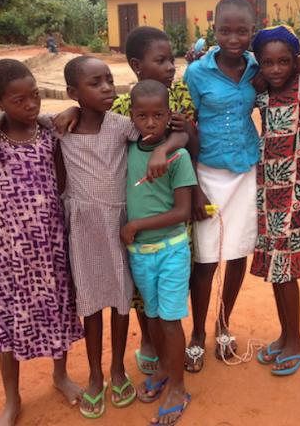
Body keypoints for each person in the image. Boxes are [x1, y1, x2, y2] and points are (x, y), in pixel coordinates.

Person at [59, 56, 188, 418]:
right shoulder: (62, 128)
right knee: (90, 301)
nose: (106, 88)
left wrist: (164, 146)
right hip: (83, 230)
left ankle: (117, 368)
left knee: (120, 299)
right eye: (95, 83)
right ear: (73, 92)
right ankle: (96, 376)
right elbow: (15, 118)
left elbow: (173, 132)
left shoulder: (122, 126)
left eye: (108, 81)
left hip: (121, 227)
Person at [0, 59, 83, 425]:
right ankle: (12, 398)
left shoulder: (49, 134)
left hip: (52, 244)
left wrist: (68, 107)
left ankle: (61, 375)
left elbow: (60, 183)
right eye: (18, 101)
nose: (31, 106)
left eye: (35, 96)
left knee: (58, 311)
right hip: (10, 250)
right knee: (7, 321)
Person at [111, 26, 197, 376]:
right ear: (136, 65)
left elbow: (191, 135)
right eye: (160, 60)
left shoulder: (179, 97)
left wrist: (174, 138)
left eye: (171, 60)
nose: (170, 67)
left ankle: (168, 355)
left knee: (167, 294)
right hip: (133, 207)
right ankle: (149, 341)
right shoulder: (118, 107)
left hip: (170, 212)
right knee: (142, 296)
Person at [183, 0, 259, 372]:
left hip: (245, 170)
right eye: (225, 30)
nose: (233, 37)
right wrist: (194, 186)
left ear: (251, 32)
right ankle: (197, 332)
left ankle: (223, 324)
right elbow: (186, 127)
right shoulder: (196, 73)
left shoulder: (255, 68)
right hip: (208, 174)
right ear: (213, 31)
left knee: (237, 252)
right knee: (207, 257)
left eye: (241, 30)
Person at [122, 79, 196, 425]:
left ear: (169, 115)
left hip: (170, 250)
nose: (150, 123)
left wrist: (137, 226)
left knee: (169, 321)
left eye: (158, 115)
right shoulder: (126, 150)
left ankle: (178, 387)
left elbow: (183, 212)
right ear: (132, 116)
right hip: (140, 254)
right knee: (152, 316)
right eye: (142, 116)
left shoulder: (177, 156)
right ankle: (166, 371)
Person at [250, 25, 300, 375]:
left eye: (284, 61)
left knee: (286, 267)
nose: (276, 69)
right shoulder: (259, 92)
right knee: (276, 267)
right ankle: (285, 333)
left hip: (293, 190)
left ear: (295, 61)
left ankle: (297, 341)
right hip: (265, 188)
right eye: (268, 63)